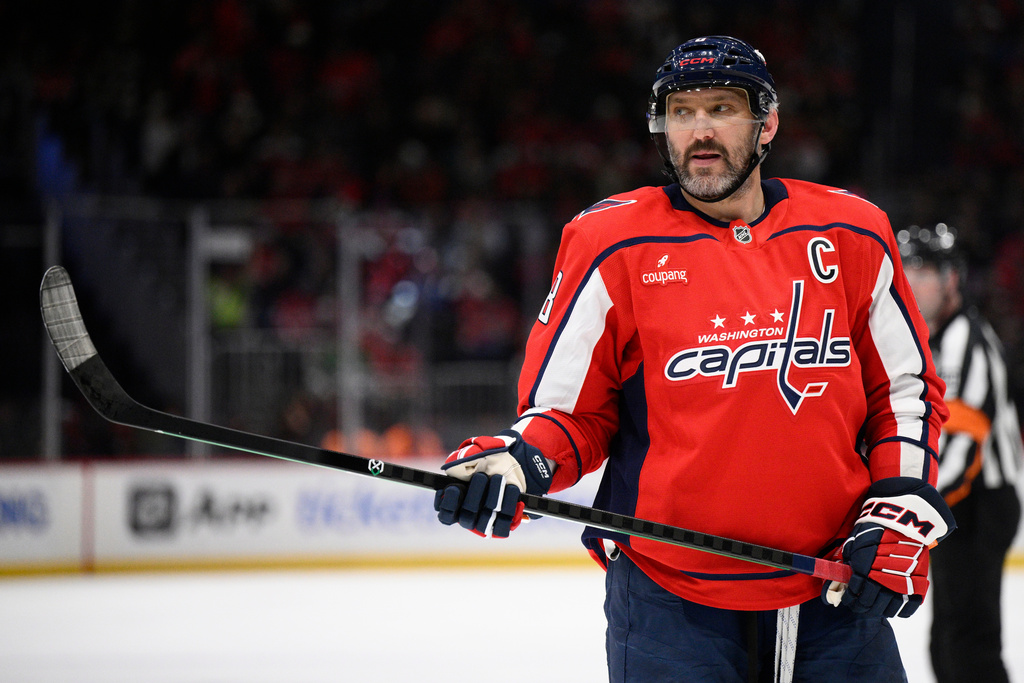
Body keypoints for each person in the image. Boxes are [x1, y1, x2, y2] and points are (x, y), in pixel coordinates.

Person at [434, 35, 955, 683]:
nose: (700, 129)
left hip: (834, 591)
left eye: (722, 108)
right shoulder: (608, 241)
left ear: (767, 124)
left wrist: (900, 509)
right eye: (682, 112)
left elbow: (904, 393)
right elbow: (569, 414)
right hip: (668, 601)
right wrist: (517, 460)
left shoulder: (854, 231)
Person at [897, 223, 1023, 683]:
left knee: (968, 639)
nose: (910, 281)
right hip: (958, 502)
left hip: (979, 505)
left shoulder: (967, 342)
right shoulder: (936, 338)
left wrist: (911, 504)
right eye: (905, 269)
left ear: (952, 279)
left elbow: (962, 451)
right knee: (948, 633)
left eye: (923, 270)